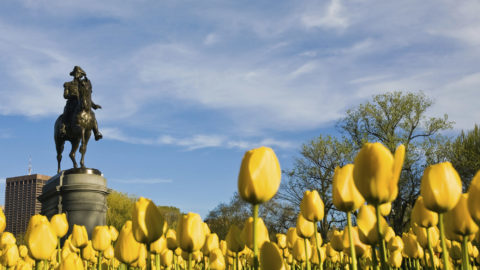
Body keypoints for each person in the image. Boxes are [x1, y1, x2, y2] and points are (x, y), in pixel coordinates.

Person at [60, 66, 103, 141]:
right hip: (71, 103)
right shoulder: (68, 84)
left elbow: (87, 97)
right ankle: (63, 128)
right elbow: (65, 95)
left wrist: (94, 105)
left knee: (92, 114)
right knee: (66, 112)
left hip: (81, 103)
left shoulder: (83, 84)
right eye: (76, 73)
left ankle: (96, 132)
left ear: (81, 75)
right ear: (73, 74)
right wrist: (73, 95)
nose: (77, 74)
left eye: (79, 73)